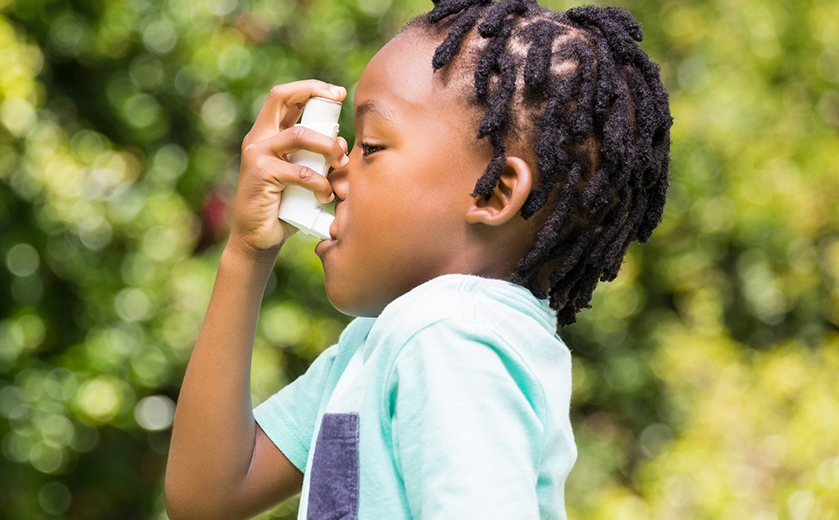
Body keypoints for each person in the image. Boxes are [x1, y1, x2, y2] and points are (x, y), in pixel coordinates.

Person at [165, 0, 672, 518]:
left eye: (371, 147)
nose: (335, 175)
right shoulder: (387, 341)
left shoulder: (450, 337)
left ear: (494, 193)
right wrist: (247, 252)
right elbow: (207, 496)